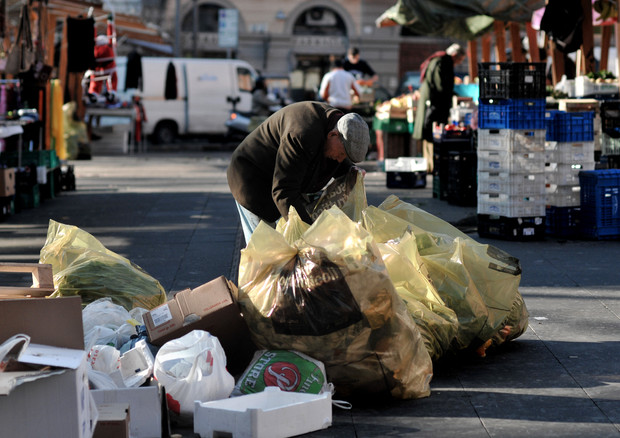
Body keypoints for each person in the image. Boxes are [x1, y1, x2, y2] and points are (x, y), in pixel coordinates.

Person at [227, 101, 370, 244]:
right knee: (265, 251)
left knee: (285, 249)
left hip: (280, 181)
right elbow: (284, 192)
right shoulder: (302, 134)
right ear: (333, 134)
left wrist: (351, 171)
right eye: (341, 154)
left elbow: (337, 152)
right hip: (251, 178)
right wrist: (311, 233)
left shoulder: (333, 124)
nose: (340, 160)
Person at [412, 43, 467, 171]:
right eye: (459, 60)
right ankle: (432, 166)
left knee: (428, 135)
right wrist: (454, 94)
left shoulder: (437, 59)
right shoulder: (445, 61)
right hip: (435, 104)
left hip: (430, 102)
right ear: (454, 55)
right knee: (433, 134)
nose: (458, 63)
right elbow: (441, 86)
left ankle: (429, 166)